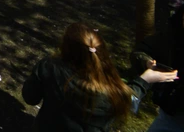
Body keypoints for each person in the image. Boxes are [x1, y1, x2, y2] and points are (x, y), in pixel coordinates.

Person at [23, 23, 178, 131]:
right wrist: (145, 80)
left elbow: (30, 97)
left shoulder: (49, 67)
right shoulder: (111, 89)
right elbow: (128, 100)